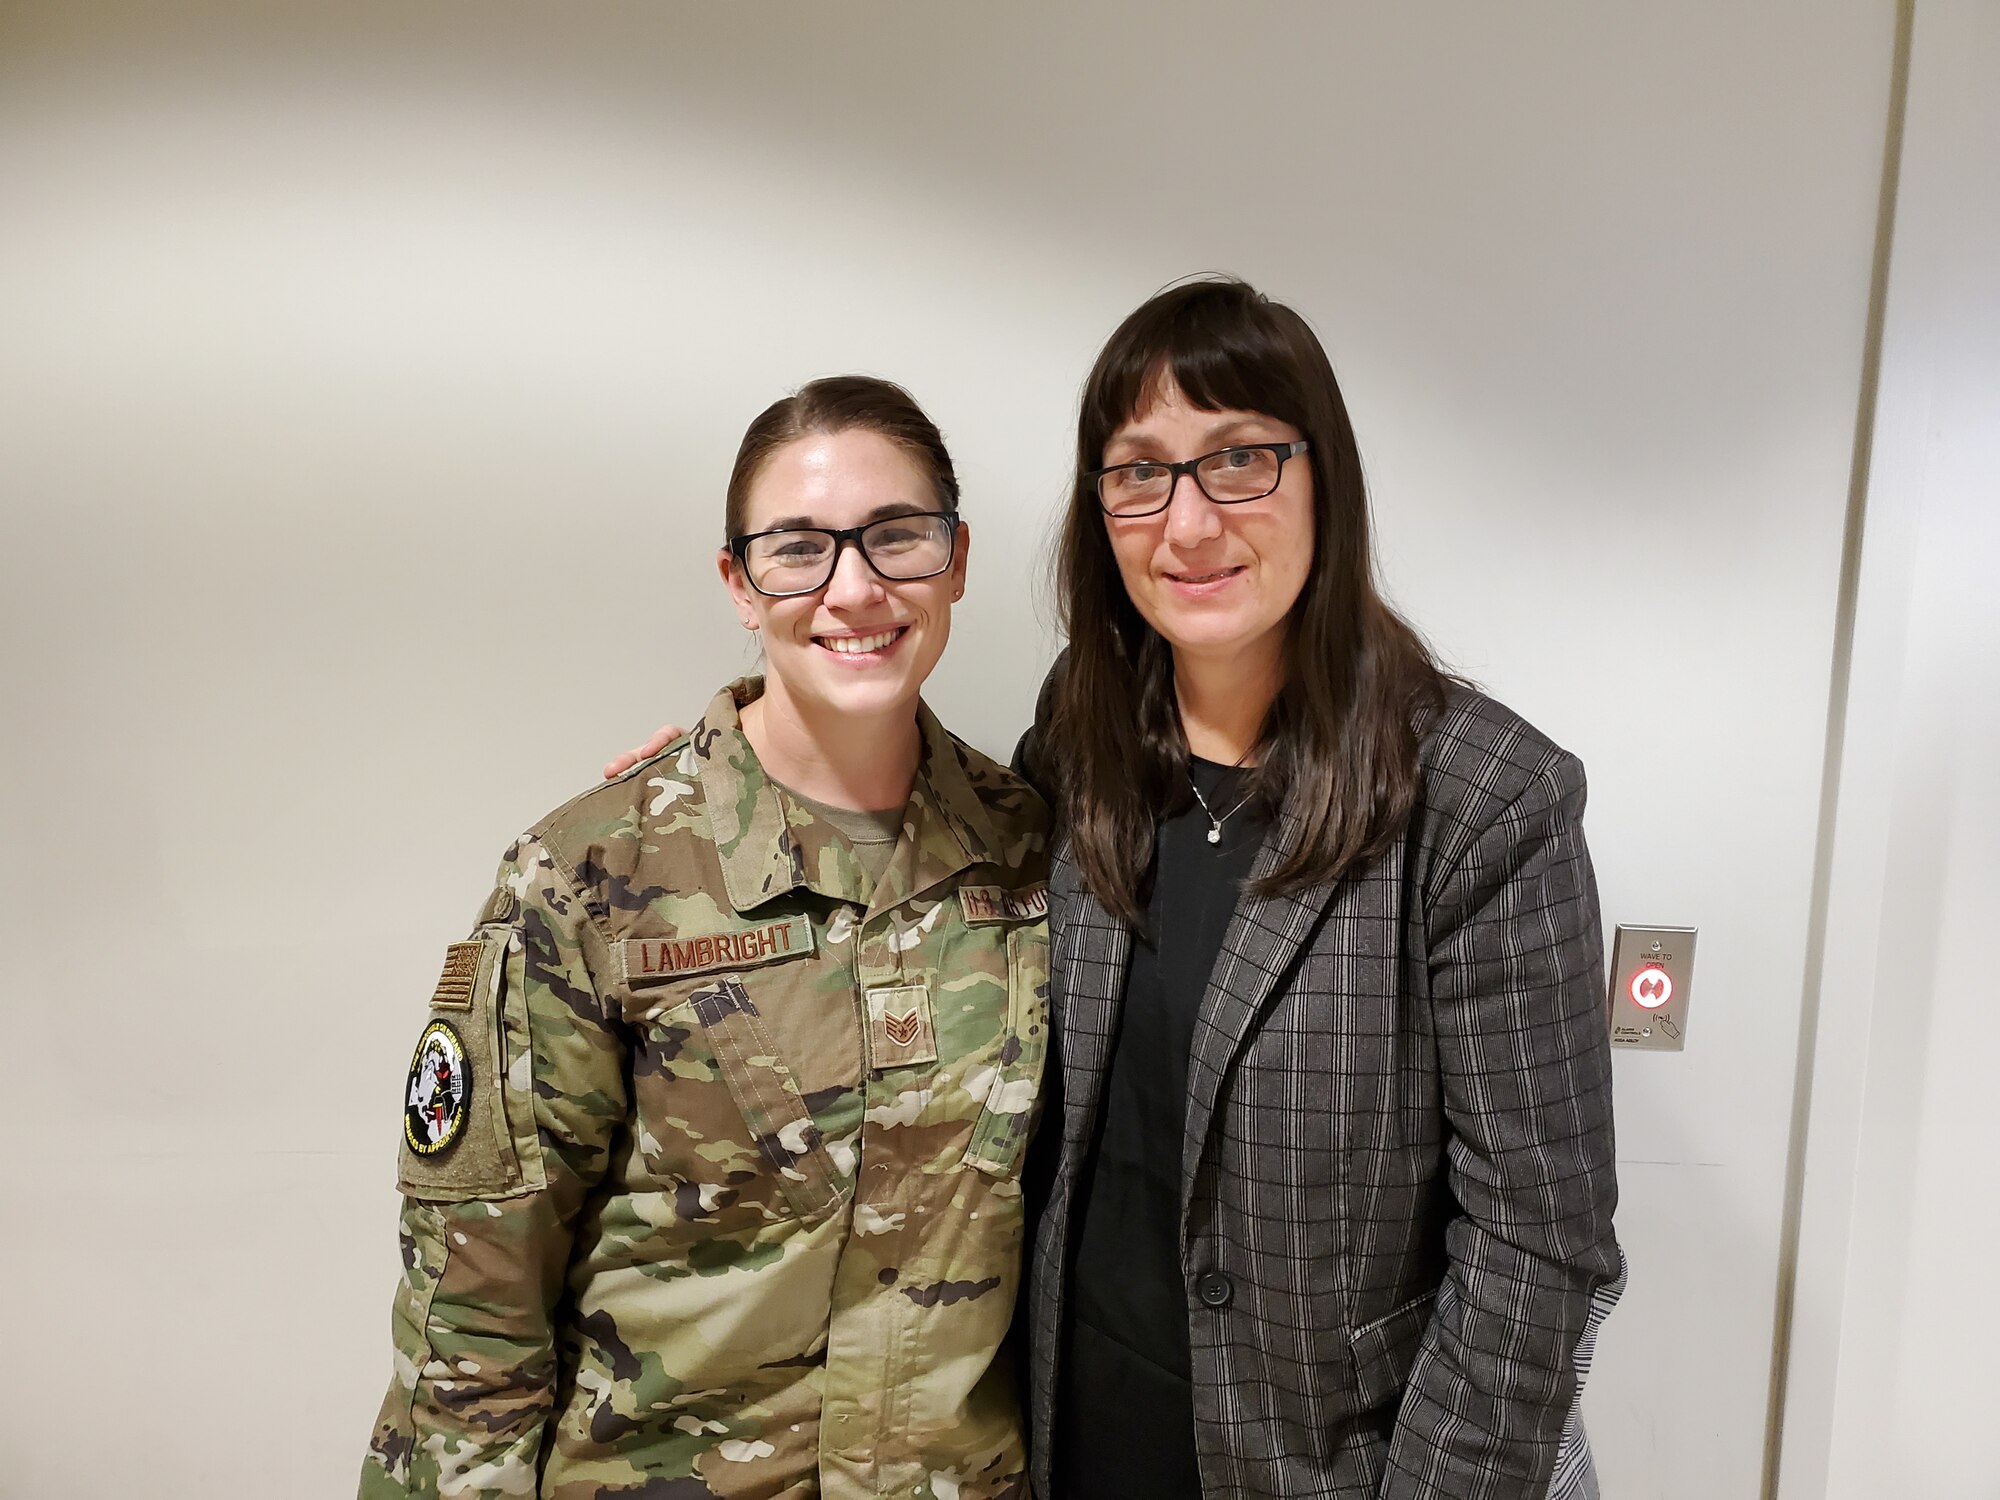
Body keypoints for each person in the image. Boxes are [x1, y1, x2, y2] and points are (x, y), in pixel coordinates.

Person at [610, 278, 1623, 1500]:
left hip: (1324, 1465)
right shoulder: (1083, 739)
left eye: (1239, 459)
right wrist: (710, 796)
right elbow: (924, 881)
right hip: (1073, 1442)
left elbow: (1538, 1249)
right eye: (1140, 472)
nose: (1187, 523)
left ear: (1324, 481)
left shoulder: (1479, 800)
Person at [363, 376, 1052, 1500]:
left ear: (956, 560)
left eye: (897, 538)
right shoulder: (593, 878)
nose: (854, 586)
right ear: (738, 582)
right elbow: (472, 1307)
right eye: (797, 548)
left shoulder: (1037, 853)